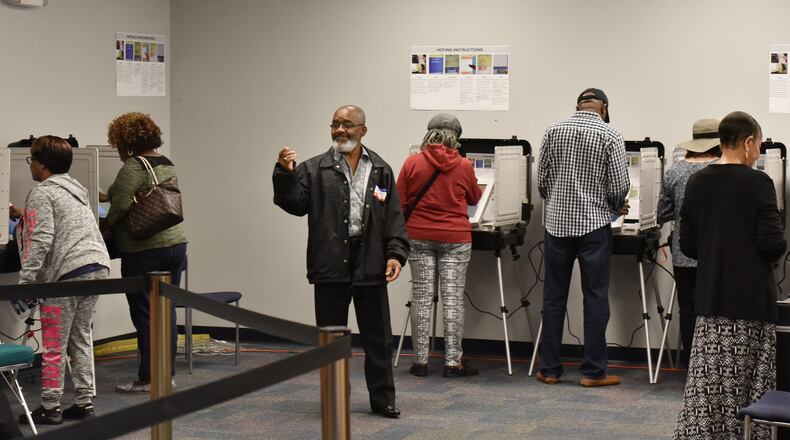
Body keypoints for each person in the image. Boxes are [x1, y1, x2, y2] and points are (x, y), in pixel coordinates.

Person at [273, 105, 409, 418]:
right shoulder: (314, 168)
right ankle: (334, 398)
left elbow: (393, 217)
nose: (340, 130)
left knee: (379, 338)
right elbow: (294, 203)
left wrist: (395, 254)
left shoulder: (380, 169)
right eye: (335, 124)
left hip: (371, 261)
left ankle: (383, 400)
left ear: (363, 130)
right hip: (330, 261)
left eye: (347, 124)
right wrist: (285, 173)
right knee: (330, 339)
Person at [673, 111, 786, 439]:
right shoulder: (759, 183)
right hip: (751, 302)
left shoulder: (697, 181)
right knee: (750, 384)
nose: (758, 152)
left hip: (710, 300)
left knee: (711, 384)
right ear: (749, 142)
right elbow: (772, 244)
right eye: (759, 145)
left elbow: (687, 244)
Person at [536, 88, 630, 387]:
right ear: (604, 108)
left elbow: (542, 181)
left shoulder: (552, 130)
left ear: (577, 106)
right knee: (595, 298)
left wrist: (558, 202)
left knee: (553, 298)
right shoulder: (610, 134)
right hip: (593, 226)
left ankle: (549, 370)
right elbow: (619, 185)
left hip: (556, 226)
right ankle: (593, 372)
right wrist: (615, 205)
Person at [15, 136, 110, 424]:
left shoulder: (42, 192)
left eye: (32, 160)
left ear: (42, 165)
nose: (31, 165)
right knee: (80, 337)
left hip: (67, 272)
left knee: (54, 341)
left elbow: (40, 239)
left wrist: (26, 282)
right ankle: (84, 402)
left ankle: (50, 406)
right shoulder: (76, 188)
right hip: (96, 265)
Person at [104, 112, 187, 393]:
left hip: (144, 250)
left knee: (145, 314)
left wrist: (106, 222)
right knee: (166, 311)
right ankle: (166, 375)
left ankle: (149, 378)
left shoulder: (134, 165)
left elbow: (120, 206)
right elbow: (141, 192)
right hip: (175, 245)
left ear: (125, 142)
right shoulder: (164, 161)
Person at [396, 113, 481, 378]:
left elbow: (400, 202)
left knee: (421, 298)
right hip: (455, 238)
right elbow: (475, 197)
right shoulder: (464, 165)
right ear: (456, 137)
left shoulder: (412, 162)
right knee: (452, 300)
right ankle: (453, 363)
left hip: (418, 235)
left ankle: (420, 362)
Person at [657, 119, 721, 367]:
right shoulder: (723, 170)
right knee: (717, 309)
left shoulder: (674, 172)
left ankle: (692, 367)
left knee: (688, 309)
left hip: (683, 252)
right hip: (717, 253)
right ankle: (713, 365)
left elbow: (663, 213)